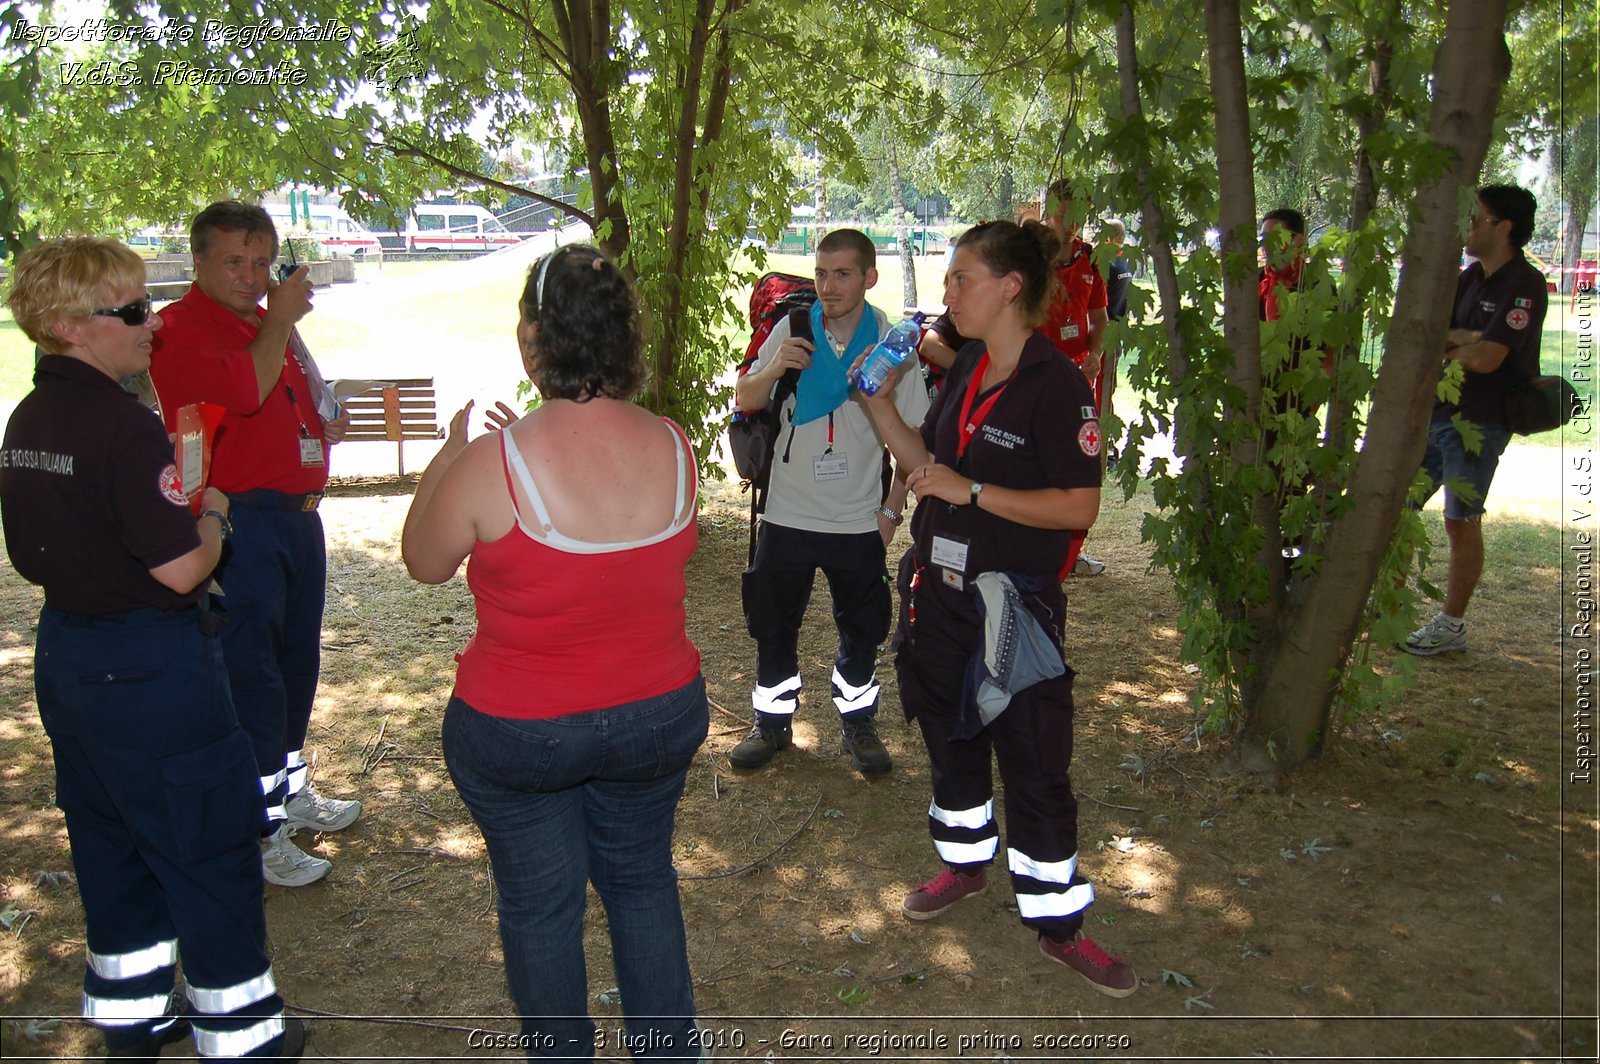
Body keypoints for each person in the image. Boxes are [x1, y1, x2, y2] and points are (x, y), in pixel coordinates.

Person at [401, 245, 708, 1062]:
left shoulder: (489, 464)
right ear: (622, 338)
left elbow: (423, 562)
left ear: (533, 341)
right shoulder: (675, 445)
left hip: (521, 727)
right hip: (657, 714)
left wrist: (446, 455)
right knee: (642, 882)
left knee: (541, 908)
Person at [0, 238, 302, 1059]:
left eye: (147, 301)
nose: (150, 325)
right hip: (152, 670)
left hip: (70, 657)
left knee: (111, 848)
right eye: (130, 311)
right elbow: (180, 569)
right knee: (206, 849)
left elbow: (33, 553)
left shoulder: (28, 420)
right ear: (68, 325)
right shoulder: (122, 426)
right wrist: (214, 516)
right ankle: (242, 1036)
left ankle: (131, 1021)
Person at [857, 220, 1137, 998]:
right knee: (949, 739)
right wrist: (880, 410)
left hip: (1014, 609)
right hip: (939, 598)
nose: (946, 294)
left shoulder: (1057, 385)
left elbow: (1078, 507)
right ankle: (965, 863)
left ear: (1010, 287)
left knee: (1035, 761)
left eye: (960, 279)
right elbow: (928, 470)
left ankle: (1058, 924)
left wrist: (973, 490)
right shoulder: (971, 365)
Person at [149, 201, 361, 888]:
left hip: (297, 517)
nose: (249, 276)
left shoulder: (261, 326)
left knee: (295, 663)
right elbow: (241, 392)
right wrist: (277, 321)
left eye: (260, 263)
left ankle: (289, 790)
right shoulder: (182, 328)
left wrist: (322, 422)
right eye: (234, 262)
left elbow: (280, 399)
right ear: (200, 261)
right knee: (252, 674)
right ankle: (258, 829)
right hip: (242, 521)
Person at [730, 228, 929, 774]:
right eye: (820, 273)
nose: (828, 285)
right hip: (788, 511)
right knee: (773, 623)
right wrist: (774, 368)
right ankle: (771, 724)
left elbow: (914, 437)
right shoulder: (793, 328)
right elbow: (745, 399)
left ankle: (858, 722)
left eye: (842, 274)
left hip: (857, 517)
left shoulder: (891, 342)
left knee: (863, 629)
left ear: (869, 277)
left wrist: (891, 510)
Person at [1405, 184, 1548, 655]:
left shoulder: (1523, 283)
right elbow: (1437, 338)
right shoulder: (1470, 278)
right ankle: (1388, 608)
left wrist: (1463, 342)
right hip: (1438, 411)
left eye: (1476, 217)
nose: (1467, 224)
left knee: (1459, 519)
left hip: (1481, 420)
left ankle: (1451, 626)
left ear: (1502, 227)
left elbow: (1488, 357)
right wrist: (1464, 338)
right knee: (1398, 506)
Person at [1040, 180, 1109, 577]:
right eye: (1063, 212)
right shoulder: (1031, 256)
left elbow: (1099, 319)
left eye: (1079, 214)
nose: (1070, 222)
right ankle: (1041, 543)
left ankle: (1070, 548)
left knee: (1077, 462)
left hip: (1077, 380)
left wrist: (1096, 354)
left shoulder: (1091, 259)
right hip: (1035, 376)